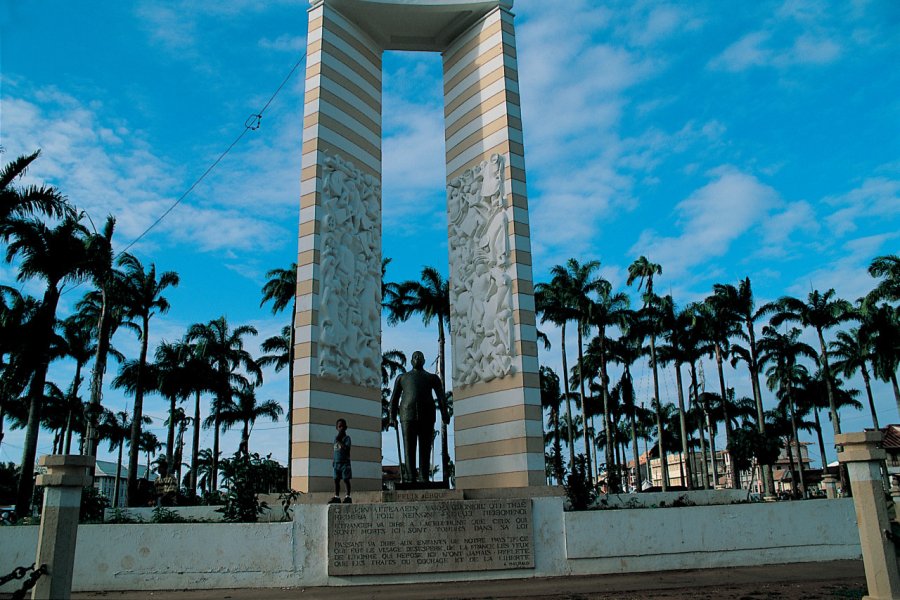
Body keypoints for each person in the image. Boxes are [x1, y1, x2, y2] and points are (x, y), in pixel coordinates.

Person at [389, 351, 450, 483]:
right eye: (415, 357)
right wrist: (391, 417)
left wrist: (445, 414)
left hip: (427, 415)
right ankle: (410, 477)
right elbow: (394, 399)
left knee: (425, 447)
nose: (417, 358)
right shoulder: (402, 378)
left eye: (420, 356)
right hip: (407, 415)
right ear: (411, 361)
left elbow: (441, 397)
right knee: (409, 447)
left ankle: (424, 476)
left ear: (424, 360)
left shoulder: (432, 378)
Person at [330, 418, 352, 504]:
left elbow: (347, 449)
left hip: (345, 463)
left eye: (343, 426)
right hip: (336, 463)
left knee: (346, 479)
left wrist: (340, 441)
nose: (341, 428)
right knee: (336, 480)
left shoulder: (347, 438)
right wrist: (334, 460)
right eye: (339, 426)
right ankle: (337, 496)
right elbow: (335, 450)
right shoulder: (335, 438)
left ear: (346, 427)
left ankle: (348, 496)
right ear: (337, 428)